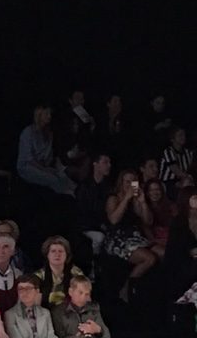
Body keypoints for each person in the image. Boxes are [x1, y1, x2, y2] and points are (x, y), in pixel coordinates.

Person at [103, 170, 158, 298]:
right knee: (149, 258)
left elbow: (148, 221)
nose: (130, 184)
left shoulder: (136, 200)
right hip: (117, 239)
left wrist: (143, 202)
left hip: (136, 237)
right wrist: (126, 199)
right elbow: (113, 220)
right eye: (127, 181)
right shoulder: (113, 198)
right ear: (121, 183)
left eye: (133, 181)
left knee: (163, 252)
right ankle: (126, 288)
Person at [17, 104, 75, 195]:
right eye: (46, 113)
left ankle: (77, 192)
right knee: (53, 179)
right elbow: (29, 159)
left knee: (62, 176)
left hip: (42, 165)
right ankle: (66, 194)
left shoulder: (48, 133)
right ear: (39, 115)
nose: (49, 116)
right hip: (27, 167)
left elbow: (47, 156)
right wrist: (44, 169)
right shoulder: (28, 132)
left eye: (50, 114)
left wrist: (49, 167)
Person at [76, 152, 112, 259]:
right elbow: (82, 211)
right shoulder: (84, 187)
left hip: (103, 225)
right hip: (86, 226)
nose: (109, 165)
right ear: (95, 164)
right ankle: (95, 261)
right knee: (100, 238)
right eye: (105, 162)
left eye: (109, 162)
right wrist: (100, 224)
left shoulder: (108, 187)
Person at [34, 235, 83, 309]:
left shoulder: (76, 273)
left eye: (61, 251)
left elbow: (84, 298)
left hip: (70, 313)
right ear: (47, 255)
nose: (57, 254)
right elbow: (35, 305)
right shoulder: (38, 276)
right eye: (53, 251)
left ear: (66, 254)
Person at [159, 126, 194, 201]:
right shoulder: (168, 151)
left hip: (183, 181)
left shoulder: (188, 153)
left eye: (184, 135)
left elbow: (189, 169)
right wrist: (187, 177)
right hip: (168, 183)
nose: (183, 137)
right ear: (172, 139)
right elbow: (175, 170)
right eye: (180, 135)